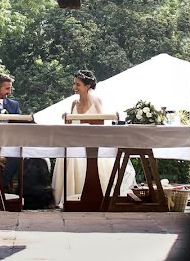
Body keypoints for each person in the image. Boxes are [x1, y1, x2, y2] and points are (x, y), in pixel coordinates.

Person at [51, 69, 136, 207]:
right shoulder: (74, 104)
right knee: (68, 154)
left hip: (92, 144)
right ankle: (72, 197)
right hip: (75, 143)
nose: (74, 88)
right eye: (74, 84)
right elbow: (69, 125)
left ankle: (94, 196)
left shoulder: (97, 101)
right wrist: (66, 118)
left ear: (87, 86)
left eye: (77, 85)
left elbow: (100, 124)